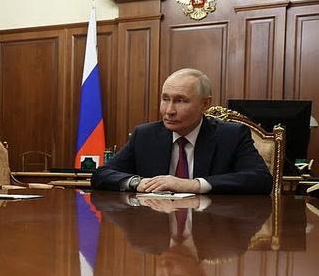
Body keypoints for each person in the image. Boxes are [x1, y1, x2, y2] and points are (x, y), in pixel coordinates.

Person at [90, 68, 272, 194]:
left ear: (205, 103)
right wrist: (137, 182)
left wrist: (193, 185)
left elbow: (260, 179)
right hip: (155, 226)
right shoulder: (145, 135)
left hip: (211, 227)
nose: (169, 110)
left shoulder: (231, 135)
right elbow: (101, 174)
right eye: (165, 99)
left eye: (180, 100)